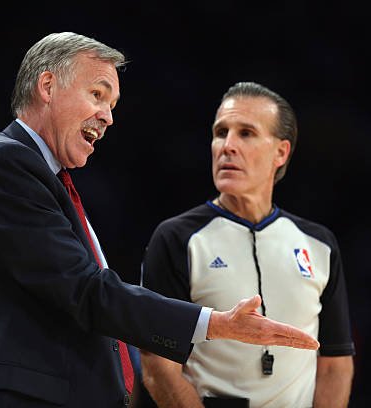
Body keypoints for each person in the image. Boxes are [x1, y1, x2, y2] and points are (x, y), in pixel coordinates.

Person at [0, 34, 319, 408]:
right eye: (97, 94)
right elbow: (86, 292)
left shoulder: (42, 178)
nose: (108, 117)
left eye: (112, 103)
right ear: (47, 86)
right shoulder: (6, 166)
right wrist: (213, 323)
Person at [140, 82, 355, 408]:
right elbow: (158, 365)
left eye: (246, 133)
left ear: (280, 152)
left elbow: (335, 363)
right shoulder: (177, 239)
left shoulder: (319, 244)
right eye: (220, 132)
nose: (227, 146)